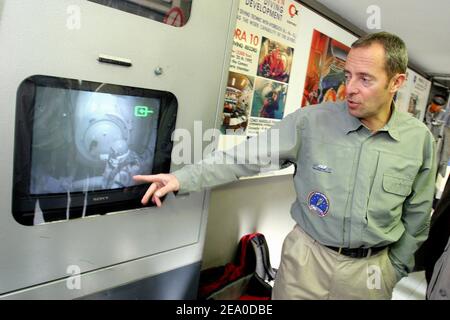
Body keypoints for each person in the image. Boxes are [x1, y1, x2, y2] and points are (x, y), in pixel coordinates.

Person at [133, 32, 437, 299]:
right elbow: (244, 157)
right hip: (307, 261)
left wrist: (394, 268)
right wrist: (181, 178)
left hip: (371, 272)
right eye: (347, 76)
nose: (350, 89)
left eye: (365, 79)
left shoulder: (418, 141)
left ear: (396, 82)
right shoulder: (310, 122)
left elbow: (418, 215)